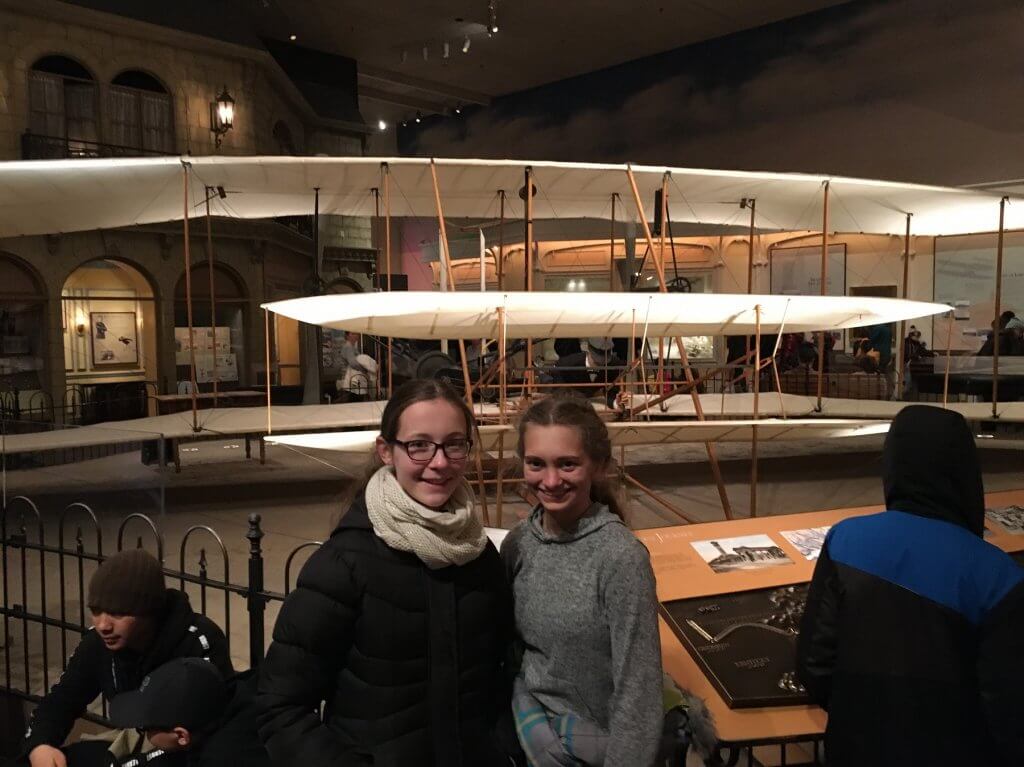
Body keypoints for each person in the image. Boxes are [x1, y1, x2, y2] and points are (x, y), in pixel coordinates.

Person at [257, 378, 515, 766]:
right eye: (419, 445)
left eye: (454, 444)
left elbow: (500, 678)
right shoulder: (345, 564)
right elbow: (279, 706)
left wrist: (503, 749)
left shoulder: (478, 556)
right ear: (386, 451)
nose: (439, 462)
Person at [796, 405, 1024, 767]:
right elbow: (1007, 711)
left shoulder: (846, 540)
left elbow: (814, 666)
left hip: (854, 749)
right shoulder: (999, 577)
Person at [501, 396, 662, 766]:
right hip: (531, 735)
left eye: (568, 464)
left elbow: (638, 690)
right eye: (536, 464)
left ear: (599, 466)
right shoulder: (518, 544)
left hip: (593, 744)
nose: (551, 480)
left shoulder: (620, 558)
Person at [22, 550, 233, 767]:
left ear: (149, 610)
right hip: (133, 741)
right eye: (96, 610)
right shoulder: (98, 643)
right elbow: (62, 700)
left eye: (118, 613)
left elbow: (211, 735)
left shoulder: (199, 641)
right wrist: (40, 745)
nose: (103, 625)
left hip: (185, 752)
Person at [106, 658, 270, 766]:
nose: (140, 732)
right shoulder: (242, 691)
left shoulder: (222, 757)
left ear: (182, 736)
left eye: (144, 728)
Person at [552, 337, 625, 407]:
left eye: (604, 363)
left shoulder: (614, 365)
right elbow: (559, 391)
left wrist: (616, 403)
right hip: (570, 403)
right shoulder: (566, 364)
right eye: (597, 362)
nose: (601, 366)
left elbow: (612, 392)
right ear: (588, 351)